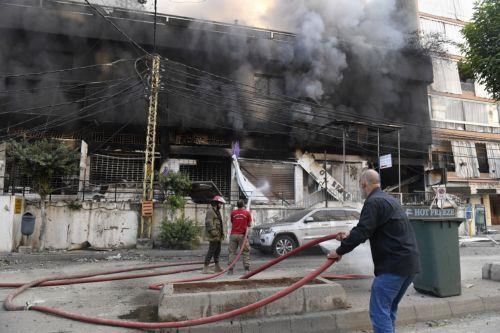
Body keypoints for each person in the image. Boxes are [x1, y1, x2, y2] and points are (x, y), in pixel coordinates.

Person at [327, 169, 420, 333]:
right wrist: (349, 235)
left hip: (393, 268)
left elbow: (363, 232)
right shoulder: (389, 200)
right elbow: (371, 228)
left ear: (364, 184)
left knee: (379, 313)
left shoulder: (372, 202)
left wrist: (339, 251)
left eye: (360, 186)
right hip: (409, 265)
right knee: (388, 310)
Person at [203, 195, 226, 274]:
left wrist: (220, 235)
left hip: (218, 236)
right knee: (211, 251)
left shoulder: (217, 211)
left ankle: (217, 266)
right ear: (216, 203)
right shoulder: (210, 211)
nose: (221, 205)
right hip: (214, 236)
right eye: (220, 204)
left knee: (217, 251)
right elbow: (208, 223)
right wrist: (214, 233)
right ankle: (205, 268)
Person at [228, 199, 252, 275]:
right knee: (245, 252)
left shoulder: (233, 213)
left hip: (233, 235)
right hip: (242, 236)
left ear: (237, 205)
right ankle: (247, 270)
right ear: (243, 205)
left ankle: (230, 270)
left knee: (232, 252)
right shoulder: (247, 213)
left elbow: (232, 222)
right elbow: (250, 225)